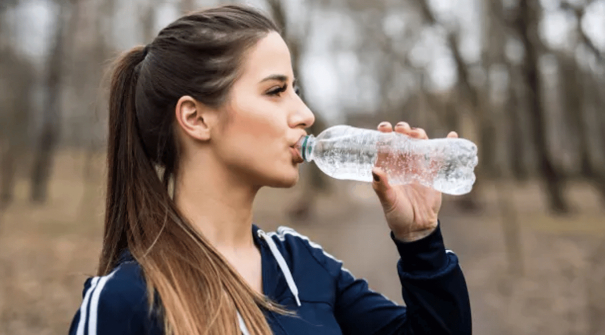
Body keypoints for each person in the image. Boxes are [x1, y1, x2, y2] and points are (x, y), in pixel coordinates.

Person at [68, 5, 471, 335]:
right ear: (195, 118)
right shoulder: (124, 302)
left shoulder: (304, 267)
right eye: (276, 91)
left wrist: (420, 241)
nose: (305, 114)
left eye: (296, 90)